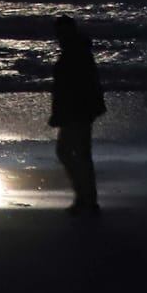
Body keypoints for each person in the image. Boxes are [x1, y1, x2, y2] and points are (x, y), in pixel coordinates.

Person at [49, 14, 105, 214]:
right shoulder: (78, 50)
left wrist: (61, 112)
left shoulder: (76, 52)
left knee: (71, 152)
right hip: (78, 109)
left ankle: (86, 198)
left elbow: (76, 86)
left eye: (60, 31)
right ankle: (86, 198)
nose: (58, 36)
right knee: (78, 154)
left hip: (77, 110)